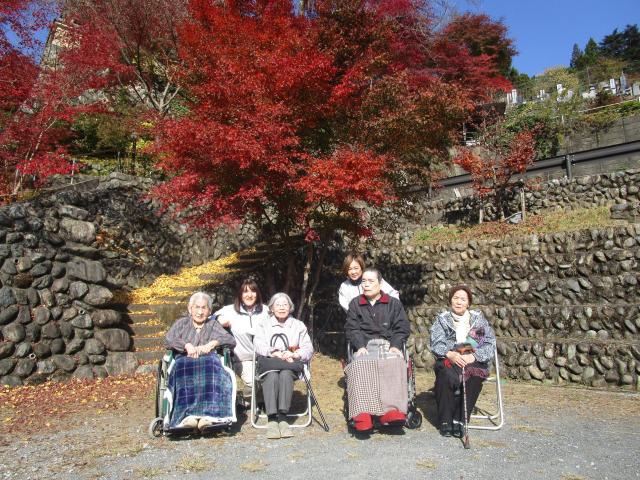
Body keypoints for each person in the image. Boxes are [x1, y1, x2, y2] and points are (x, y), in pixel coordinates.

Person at [344, 268, 410, 432]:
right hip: (365, 347)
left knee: (396, 362)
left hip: (388, 345)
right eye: (364, 281)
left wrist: (395, 345)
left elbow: (402, 327)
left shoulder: (393, 303)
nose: (366, 284)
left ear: (380, 284)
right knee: (359, 364)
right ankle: (363, 413)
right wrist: (359, 346)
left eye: (370, 281)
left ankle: (391, 411)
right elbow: (352, 328)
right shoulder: (355, 303)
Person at [429, 284, 496, 437]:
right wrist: (450, 354)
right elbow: (436, 343)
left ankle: (460, 420)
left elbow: (488, 344)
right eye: (456, 298)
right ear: (450, 300)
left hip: (473, 359)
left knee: (474, 374)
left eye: (463, 299)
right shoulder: (442, 320)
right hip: (450, 358)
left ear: (468, 303)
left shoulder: (477, 320)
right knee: (445, 373)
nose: (459, 302)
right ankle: (445, 421)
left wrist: (473, 356)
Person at [164, 291, 237, 431]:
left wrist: (214, 343)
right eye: (197, 307)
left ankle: (208, 416)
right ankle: (187, 417)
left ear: (209, 311)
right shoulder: (181, 324)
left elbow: (230, 340)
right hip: (185, 359)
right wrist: (186, 345)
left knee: (212, 366)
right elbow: (168, 339)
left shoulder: (213, 324)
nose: (200, 311)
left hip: (208, 360)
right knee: (181, 367)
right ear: (190, 309)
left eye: (204, 308)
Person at [254, 292, 313, 439]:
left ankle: (282, 417)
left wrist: (295, 354)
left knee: (285, 374)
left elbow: (308, 348)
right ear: (272, 308)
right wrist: (273, 352)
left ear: (290, 307)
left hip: (290, 365)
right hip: (270, 363)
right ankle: (272, 419)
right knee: (272, 375)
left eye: (285, 305)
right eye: (278, 305)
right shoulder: (264, 324)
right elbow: (258, 344)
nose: (281, 308)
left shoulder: (298, 325)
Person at [214, 278, 269, 406]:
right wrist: (218, 319)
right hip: (242, 360)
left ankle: (260, 401)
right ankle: (244, 401)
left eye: (253, 291)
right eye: (245, 292)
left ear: (257, 294)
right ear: (240, 294)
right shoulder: (230, 310)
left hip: (264, 358)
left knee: (272, 379)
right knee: (254, 382)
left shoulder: (266, 311)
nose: (249, 295)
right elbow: (210, 318)